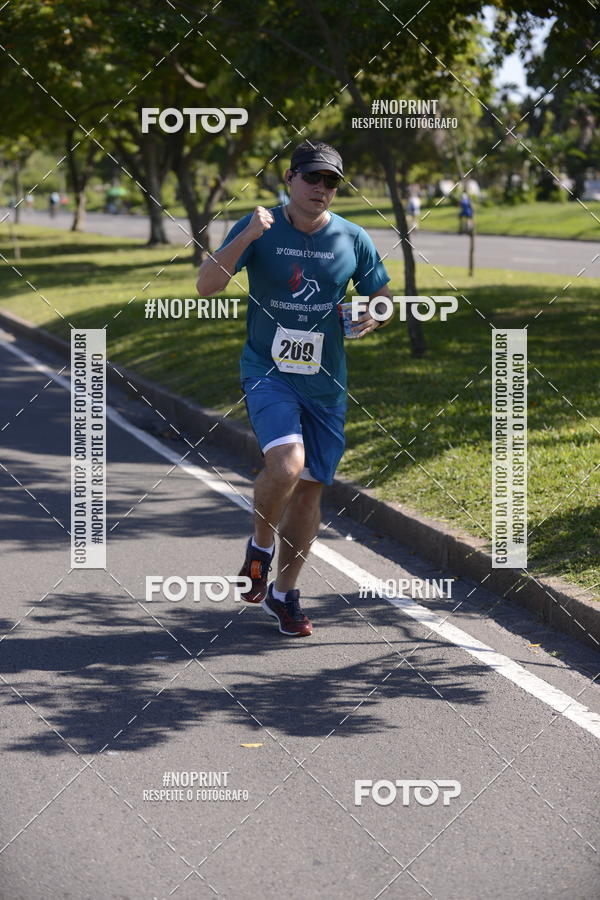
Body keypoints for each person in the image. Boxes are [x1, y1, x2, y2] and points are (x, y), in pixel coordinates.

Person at [196, 141, 393, 637]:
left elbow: (381, 295)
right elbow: (207, 285)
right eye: (312, 178)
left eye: (331, 182)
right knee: (286, 465)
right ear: (290, 178)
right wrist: (246, 238)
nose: (321, 189)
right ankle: (260, 547)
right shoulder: (258, 225)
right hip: (269, 370)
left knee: (309, 493)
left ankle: (284, 593)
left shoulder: (353, 238)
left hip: (326, 383)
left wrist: (373, 314)